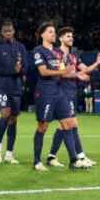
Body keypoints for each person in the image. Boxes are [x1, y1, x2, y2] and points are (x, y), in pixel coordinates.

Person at [47, 27, 100, 169]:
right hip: (61, 92)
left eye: (72, 36)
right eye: (68, 36)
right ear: (61, 38)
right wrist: (78, 74)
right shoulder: (56, 54)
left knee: (65, 125)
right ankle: (80, 157)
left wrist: (97, 63)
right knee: (71, 125)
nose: (71, 38)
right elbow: (62, 73)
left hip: (72, 92)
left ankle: (52, 156)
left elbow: (85, 69)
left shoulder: (73, 56)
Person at [29, 22, 79, 172]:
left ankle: (74, 160)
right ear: (42, 35)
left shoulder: (58, 52)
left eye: (54, 32)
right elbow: (43, 72)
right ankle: (37, 161)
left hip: (59, 92)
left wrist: (76, 74)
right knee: (43, 126)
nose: (53, 34)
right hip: (45, 92)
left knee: (67, 123)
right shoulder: (38, 51)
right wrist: (62, 71)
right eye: (50, 32)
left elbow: (64, 72)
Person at [0, 20, 27, 165]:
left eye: (10, 31)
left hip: (16, 87)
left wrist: (20, 71)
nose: (7, 33)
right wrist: (12, 71)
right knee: (5, 113)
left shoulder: (20, 47)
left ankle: (9, 154)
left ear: (13, 31)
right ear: (2, 33)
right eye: (5, 31)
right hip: (1, 86)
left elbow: (26, 67)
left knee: (13, 119)